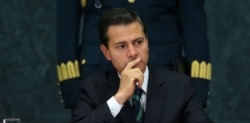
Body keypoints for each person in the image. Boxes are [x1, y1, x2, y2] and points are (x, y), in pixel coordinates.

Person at [64, 8, 222, 123]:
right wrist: (119, 98)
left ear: (148, 42)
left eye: (138, 42)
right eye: (121, 46)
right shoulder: (92, 88)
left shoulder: (179, 85)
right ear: (106, 52)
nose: (133, 53)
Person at [56, 0, 211, 110]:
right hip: (98, 76)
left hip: (163, 76)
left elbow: (194, 29)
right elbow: (66, 29)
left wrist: (197, 91)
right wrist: (72, 90)